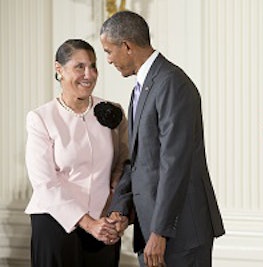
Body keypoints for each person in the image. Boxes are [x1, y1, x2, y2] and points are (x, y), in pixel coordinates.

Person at [99, 11, 225, 267]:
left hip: (180, 233)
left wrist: (160, 232)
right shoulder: (143, 87)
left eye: (109, 51)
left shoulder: (171, 83)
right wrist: (120, 208)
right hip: (153, 229)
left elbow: (174, 162)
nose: (109, 60)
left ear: (127, 46)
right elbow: (138, 161)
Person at [25, 39, 129, 267]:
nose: (89, 74)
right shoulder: (41, 118)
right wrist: (88, 223)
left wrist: (119, 213)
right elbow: (45, 184)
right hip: (56, 224)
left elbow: (125, 165)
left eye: (93, 66)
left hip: (104, 226)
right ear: (59, 69)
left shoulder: (114, 111)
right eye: (79, 66)